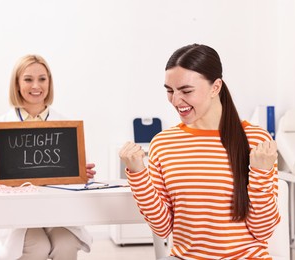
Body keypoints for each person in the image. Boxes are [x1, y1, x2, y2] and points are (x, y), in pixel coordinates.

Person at [119, 44, 280, 259]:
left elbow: (263, 230)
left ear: (215, 87)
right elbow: (162, 227)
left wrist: (261, 173)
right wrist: (138, 173)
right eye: (169, 90)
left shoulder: (256, 140)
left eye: (186, 91)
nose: (176, 101)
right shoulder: (163, 144)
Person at [0, 54, 96, 260]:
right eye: (28, 79)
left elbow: (72, 178)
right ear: (17, 84)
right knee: (38, 246)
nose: (36, 85)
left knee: (66, 243)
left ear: (49, 82)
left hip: (56, 212)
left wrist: (81, 174)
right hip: (18, 215)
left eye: (42, 79)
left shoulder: (66, 126)